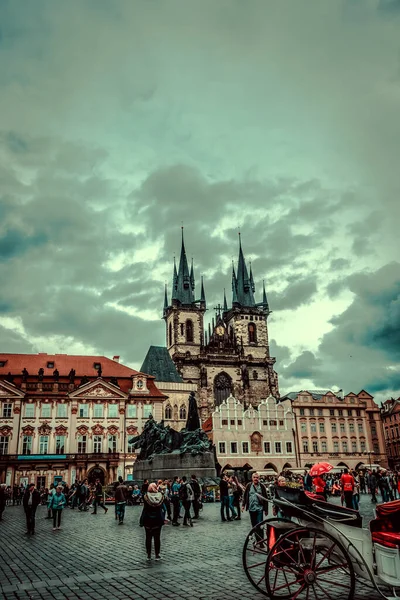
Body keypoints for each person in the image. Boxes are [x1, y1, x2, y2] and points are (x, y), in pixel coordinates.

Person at [140, 482, 165, 561]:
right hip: (158, 519)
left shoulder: (146, 496)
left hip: (147, 519)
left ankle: (149, 554)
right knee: (157, 538)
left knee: (148, 537)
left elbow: (145, 509)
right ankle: (157, 554)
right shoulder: (161, 496)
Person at [242, 473, 269, 543]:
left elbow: (265, 497)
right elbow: (245, 496)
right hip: (251, 508)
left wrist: (266, 510)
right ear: (252, 478)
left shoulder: (262, 486)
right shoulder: (249, 486)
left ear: (259, 478)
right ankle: (258, 540)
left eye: (257, 477)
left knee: (260, 525)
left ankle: (261, 541)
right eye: (254, 477)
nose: (256, 479)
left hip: (259, 508)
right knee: (254, 526)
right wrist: (243, 505)